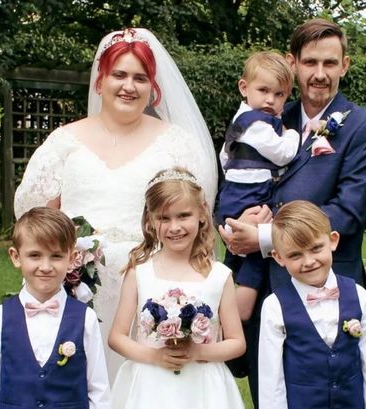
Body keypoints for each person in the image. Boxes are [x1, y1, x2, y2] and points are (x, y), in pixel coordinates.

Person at [13, 28, 218, 381]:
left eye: (140, 78)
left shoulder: (175, 143)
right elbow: (36, 221)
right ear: (99, 81)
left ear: (153, 88)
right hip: (78, 290)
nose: (129, 86)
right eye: (119, 75)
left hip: (152, 289)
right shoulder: (64, 142)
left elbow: (194, 221)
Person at [220, 18, 366, 407]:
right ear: (292, 63)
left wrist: (263, 237)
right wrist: (232, 225)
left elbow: (347, 212)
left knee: (335, 394)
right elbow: (232, 177)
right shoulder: (269, 112)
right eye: (310, 62)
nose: (319, 74)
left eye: (330, 63)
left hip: (329, 287)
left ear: (345, 64)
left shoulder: (365, 128)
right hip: (263, 290)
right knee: (270, 393)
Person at [108, 167, 246, 409]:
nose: (174, 227)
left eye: (183, 216)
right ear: (151, 220)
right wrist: (155, 356)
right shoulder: (139, 272)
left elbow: (236, 342)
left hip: (202, 388)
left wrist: (198, 352)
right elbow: (117, 337)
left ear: (202, 214)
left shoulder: (219, 276)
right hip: (151, 385)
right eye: (164, 218)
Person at [259, 200, 366, 409]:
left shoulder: (358, 295)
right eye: (295, 255)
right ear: (278, 257)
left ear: (333, 241)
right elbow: (271, 381)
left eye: (316, 248)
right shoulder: (275, 307)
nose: (309, 261)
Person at [0, 207, 110, 409]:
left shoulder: (86, 318)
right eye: (35, 255)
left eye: (56, 256)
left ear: (72, 259)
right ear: (16, 257)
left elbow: (98, 390)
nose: (45, 266)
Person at [217, 51, 300, 322]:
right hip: (250, 195)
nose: (270, 100)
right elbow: (283, 154)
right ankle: (242, 310)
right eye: (263, 90)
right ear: (244, 87)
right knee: (254, 253)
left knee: (236, 250)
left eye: (279, 95)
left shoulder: (240, 120)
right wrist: (293, 135)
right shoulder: (259, 126)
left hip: (232, 191)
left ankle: (224, 292)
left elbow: (225, 156)